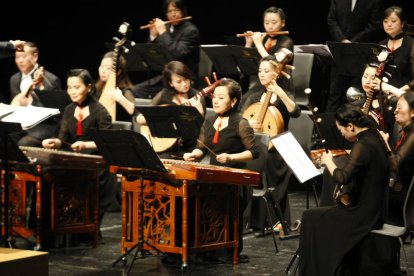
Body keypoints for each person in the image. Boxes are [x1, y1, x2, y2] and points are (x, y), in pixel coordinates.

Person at [299, 105, 390, 275]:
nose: (341, 133)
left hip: (364, 213)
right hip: (377, 210)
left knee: (309, 217)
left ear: (351, 126)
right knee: (321, 216)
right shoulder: (375, 136)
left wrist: (328, 161)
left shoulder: (362, 145)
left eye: (341, 129)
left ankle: (317, 270)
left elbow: (342, 177)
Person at [183, 78, 259, 263]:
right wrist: (193, 154)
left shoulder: (240, 122)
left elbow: (254, 152)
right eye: (214, 97)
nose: (215, 101)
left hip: (234, 178)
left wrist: (232, 157)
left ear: (233, 101)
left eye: (221, 97)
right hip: (214, 174)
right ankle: (197, 245)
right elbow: (202, 146)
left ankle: (221, 248)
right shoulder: (210, 120)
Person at [42, 69, 117, 234]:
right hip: (77, 157)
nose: (72, 92)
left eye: (76, 87)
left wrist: (86, 146)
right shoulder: (69, 109)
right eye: (69, 87)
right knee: (47, 173)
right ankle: (54, 227)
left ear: (89, 87)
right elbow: (62, 138)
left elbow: (107, 142)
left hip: (97, 159)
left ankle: (86, 226)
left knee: (87, 174)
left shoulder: (100, 110)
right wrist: (54, 142)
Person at [241, 54, 301, 230]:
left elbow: (296, 112)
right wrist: (249, 124)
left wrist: (280, 93)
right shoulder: (254, 95)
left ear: (277, 73)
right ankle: (251, 219)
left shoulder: (285, 94)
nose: (261, 74)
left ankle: (275, 221)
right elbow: (241, 119)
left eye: (266, 71)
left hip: (279, 147)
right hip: (258, 145)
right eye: (260, 70)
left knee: (267, 161)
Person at [137, 60, 205, 158]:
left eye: (186, 79)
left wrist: (200, 112)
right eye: (179, 81)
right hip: (164, 145)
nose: (184, 84)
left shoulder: (197, 97)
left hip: (187, 148)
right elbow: (140, 118)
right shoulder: (164, 95)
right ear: (171, 83)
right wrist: (163, 120)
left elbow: (201, 127)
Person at [133, 0, 200, 99]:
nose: (173, 14)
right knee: (134, 91)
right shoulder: (166, 28)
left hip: (183, 79)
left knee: (161, 97)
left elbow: (177, 54)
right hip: (165, 78)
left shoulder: (191, 31)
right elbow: (152, 54)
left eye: (176, 10)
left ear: (183, 11)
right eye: (169, 11)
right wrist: (153, 35)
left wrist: (163, 33)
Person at [325, 0, 383, 112]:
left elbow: (374, 25)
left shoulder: (373, 2)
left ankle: (357, 126)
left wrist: (353, 43)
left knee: (357, 95)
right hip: (340, 52)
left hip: (359, 54)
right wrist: (342, 39)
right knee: (334, 95)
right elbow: (331, 20)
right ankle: (327, 128)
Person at [9, 41, 63, 146]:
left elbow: (56, 112)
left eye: (24, 56)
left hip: (42, 128)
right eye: (17, 57)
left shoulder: (50, 80)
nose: (20, 61)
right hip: (20, 126)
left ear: (35, 57)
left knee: (23, 143)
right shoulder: (14, 79)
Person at [240, 6, 294, 109]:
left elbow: (274, 63)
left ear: (282, 23)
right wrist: (248, 43)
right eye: (266, 23)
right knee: (243, 100)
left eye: (274, 23)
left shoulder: (287, 42)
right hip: (263, 84)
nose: (270, 27)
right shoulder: (263, 40)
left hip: (280, 84)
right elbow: (248, 65)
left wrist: (259, 45)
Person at [380, 93, 414, 226]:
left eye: (400, 107)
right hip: (398, 190)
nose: (395, 110)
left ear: (412, 112)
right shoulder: (406, 132)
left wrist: (384, 143)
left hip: (403, 198)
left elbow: (395, 164)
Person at [379, 6, 414, 92]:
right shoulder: (381, 45)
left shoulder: (411, 44)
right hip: (383, 93)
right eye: (385, 21)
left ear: (402, 23)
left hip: (405, 94)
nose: (389, 24)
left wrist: (396, 92)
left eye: (393, 21)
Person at [94, 51, 136, 122]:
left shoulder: (124, 90)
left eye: (108, 68)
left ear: (118, 72)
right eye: (102, 66)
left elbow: (133, 110)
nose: (103, 71)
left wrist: (120, 98)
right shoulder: (96, 89)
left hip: (120, 129)